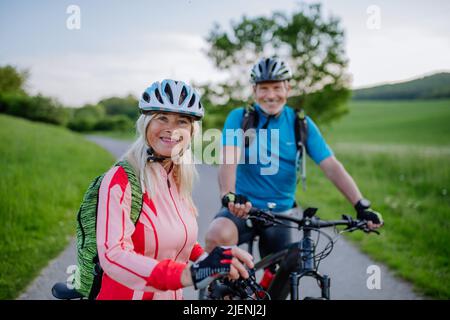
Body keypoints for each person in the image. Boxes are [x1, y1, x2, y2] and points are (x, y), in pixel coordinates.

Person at [204, 57, 383, 290]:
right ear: (254, 90)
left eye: (277, 87)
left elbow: (331, 166)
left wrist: (361, 205)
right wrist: (228, 195)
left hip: (281, 213)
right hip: (243, 208)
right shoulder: (240, 117)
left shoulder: (302, 124)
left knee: (291, 266)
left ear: (288, 88)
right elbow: (228, 161)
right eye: (264, 88)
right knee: (219, 234)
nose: (271, 95)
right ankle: (219, 297)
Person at [95, 79, 253, 300]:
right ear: (146, 123)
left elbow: (179, 241)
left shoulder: (177, 176)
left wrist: (213, 261)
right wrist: (190, 273)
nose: (172, 129)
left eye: (182, 121)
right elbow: (113, 255)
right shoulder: (121, 179)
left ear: (191, 131)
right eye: (162, 118)